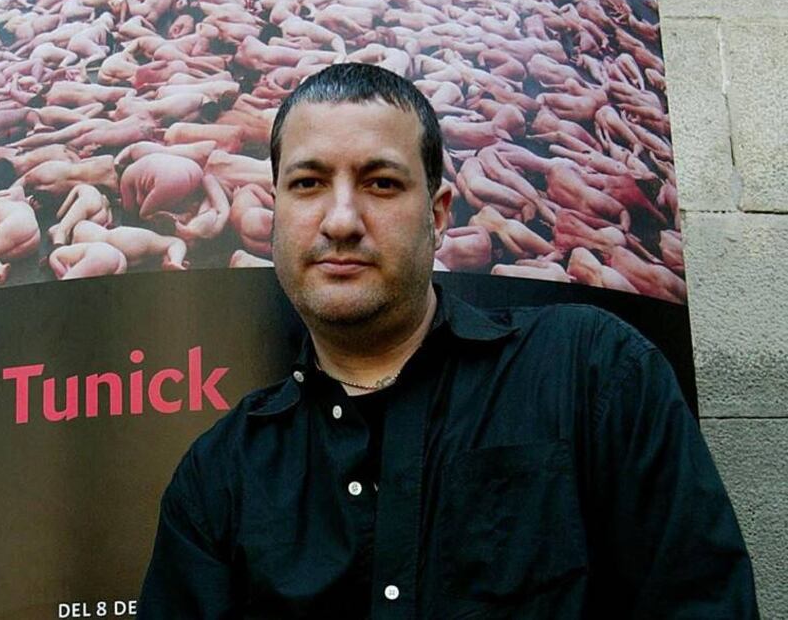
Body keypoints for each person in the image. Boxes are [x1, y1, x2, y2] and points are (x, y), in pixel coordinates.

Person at [138, 63, 756, 618]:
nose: (342, 220)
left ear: (437, 215)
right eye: (308, 184)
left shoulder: (591, 371)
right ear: (275, 211)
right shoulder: (220, 477)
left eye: (381, 183)